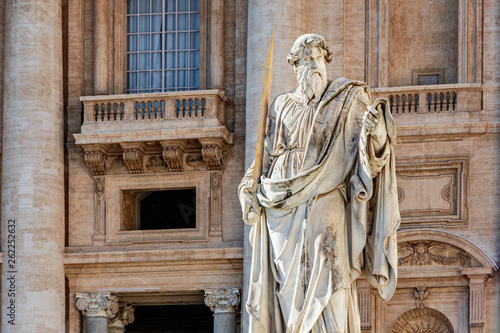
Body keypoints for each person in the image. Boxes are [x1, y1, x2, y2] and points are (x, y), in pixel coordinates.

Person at [239, 34, 400, 333]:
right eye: (306, 59)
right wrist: (248, 185)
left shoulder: (348, 100)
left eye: (318, 58)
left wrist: (377, 134)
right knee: (288, 282)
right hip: (281, 204)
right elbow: (265, 157)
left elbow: (370, 156)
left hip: (327, 192)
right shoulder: (281, 105)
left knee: (329, 258)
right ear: (296, 66)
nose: (314, 65)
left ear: (326, 62)